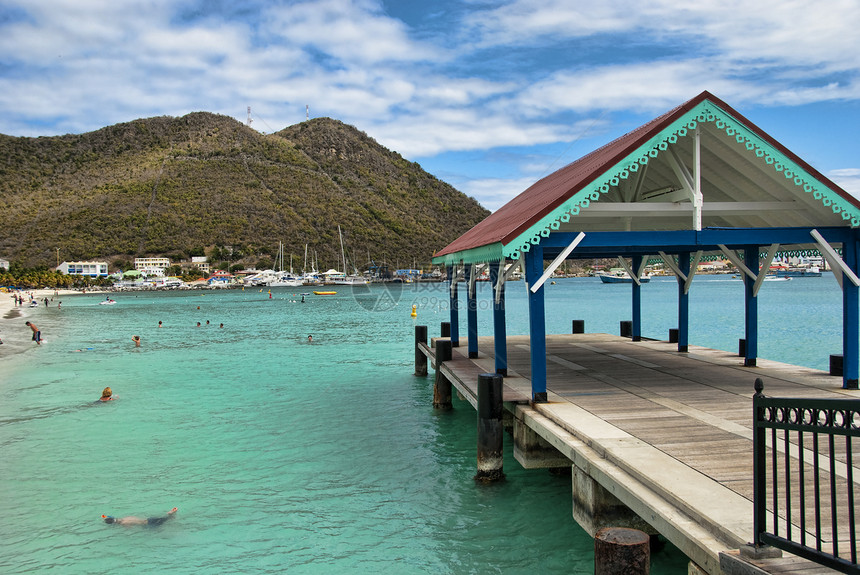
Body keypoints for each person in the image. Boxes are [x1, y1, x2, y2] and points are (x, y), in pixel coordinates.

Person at [103, 507, 177, 527]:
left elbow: (131, 529)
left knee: (168, 520)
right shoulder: (126, 518)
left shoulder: (123, 523)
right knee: (164, 519)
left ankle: (170, 514)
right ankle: (170, 514)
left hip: (149, 524)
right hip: (149, 519)